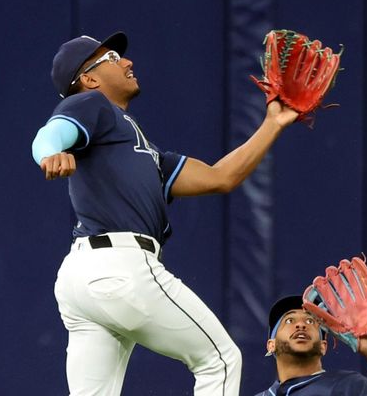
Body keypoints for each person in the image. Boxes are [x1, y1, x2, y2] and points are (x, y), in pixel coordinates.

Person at [31, 32, 299, 396]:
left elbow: (222, 177)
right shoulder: (91, 104)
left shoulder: (139, 147)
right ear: (89, 79)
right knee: (220, 359)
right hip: (119, 269)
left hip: (83, 279)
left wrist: (274, 123)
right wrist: (49, 154)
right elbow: (50, 135)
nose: (126, 62)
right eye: (111, 58)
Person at [256, 295, 367, 396]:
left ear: (323, 346)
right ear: (271, 345)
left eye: (310, 321)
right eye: (289, 321)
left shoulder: (349, 387)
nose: (301, 325)